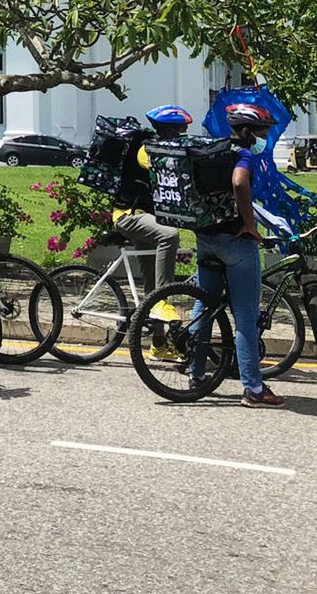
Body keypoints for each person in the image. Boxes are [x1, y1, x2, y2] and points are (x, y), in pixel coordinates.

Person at [192, 102, 287, 408]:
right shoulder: (242, 154)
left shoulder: (214, 151)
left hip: (206, 237)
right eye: (262, 132)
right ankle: (254, 389)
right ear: (247, 132)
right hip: (236, 242)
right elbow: (239, 183)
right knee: (245, 317)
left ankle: (196, 374)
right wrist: (249, 223)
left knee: (204, 306)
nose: (265, 138)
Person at [117, 105, 191, 292]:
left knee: (150, 284)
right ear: (166, 130)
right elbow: (165, 169)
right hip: (129, 214)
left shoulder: (166, 148)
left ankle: (146, 316)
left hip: (150, 215)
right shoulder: (146, 150)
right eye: (180, 130)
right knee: (169, 235)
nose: (183, 135)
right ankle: (162, 298)